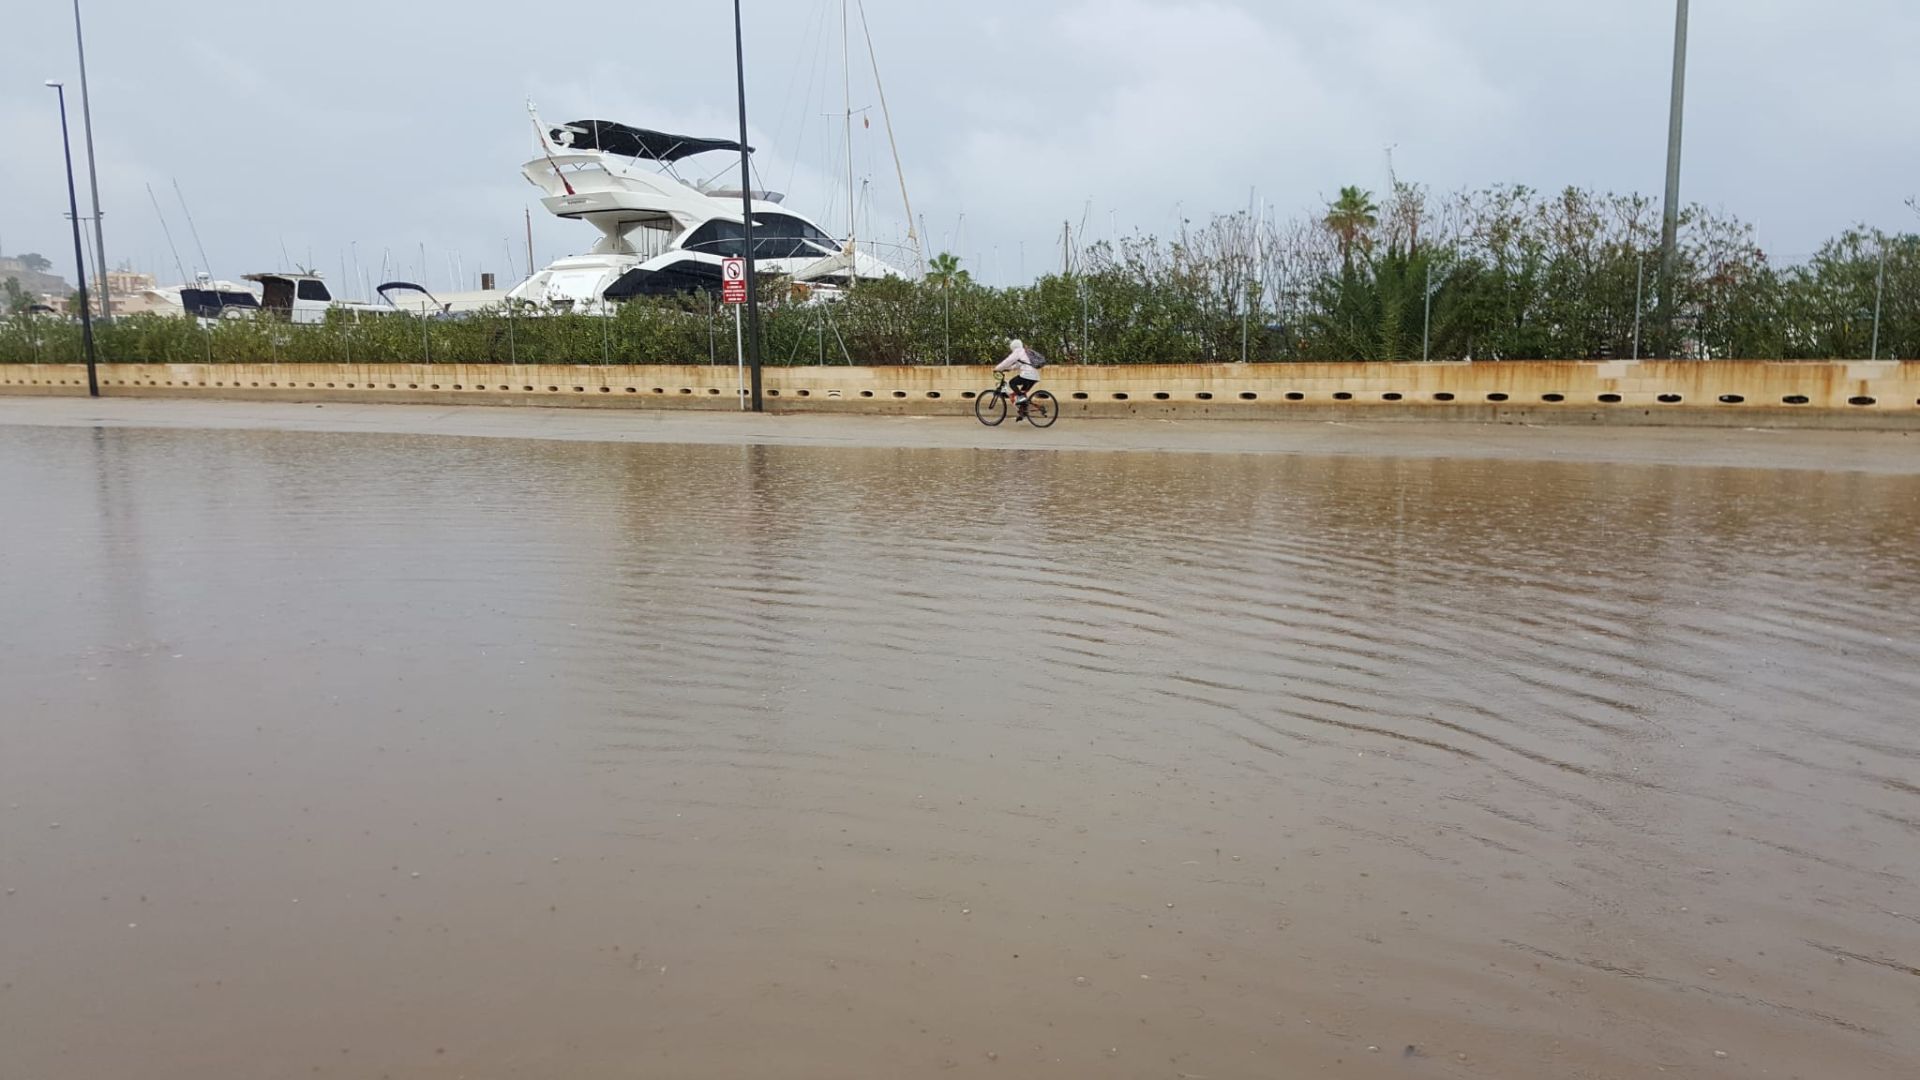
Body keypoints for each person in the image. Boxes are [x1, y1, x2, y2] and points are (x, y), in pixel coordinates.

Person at [994, 338, 1042, 417]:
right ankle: (1023, 411)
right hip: (1034, 376)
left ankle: (1020, 398)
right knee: (1022, 393)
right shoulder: (1024, 353)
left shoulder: (1018, 351)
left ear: (1013, 347)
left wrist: (997, 368)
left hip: (1027, 375)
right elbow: (1018, 365)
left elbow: (1008, 361)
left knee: (1012, 383)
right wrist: (1009, 369)